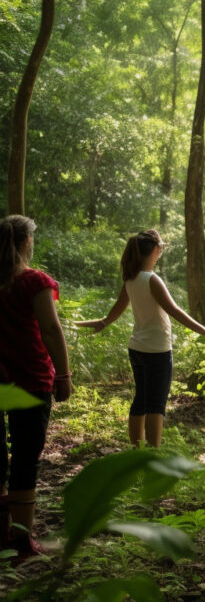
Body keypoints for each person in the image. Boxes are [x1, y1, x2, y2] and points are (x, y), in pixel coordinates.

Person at [77, 230, 205, 448]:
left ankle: (138, 450)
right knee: (156, 404)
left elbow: (115, 311)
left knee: (141, 399)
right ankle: (153, 453)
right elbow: (174, 310)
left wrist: (102, 323)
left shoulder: (131, 278)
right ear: (155, 250)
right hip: (158, 350)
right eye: (161, 249)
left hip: (136, 348)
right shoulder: (152, 279)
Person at [0, 216, 71, 560]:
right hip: (30, 379)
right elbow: (51, 330)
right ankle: (23, 540)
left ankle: (3, 532)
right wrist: (64, 375)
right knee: (25, 460)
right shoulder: (33, 281)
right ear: (26, 242)